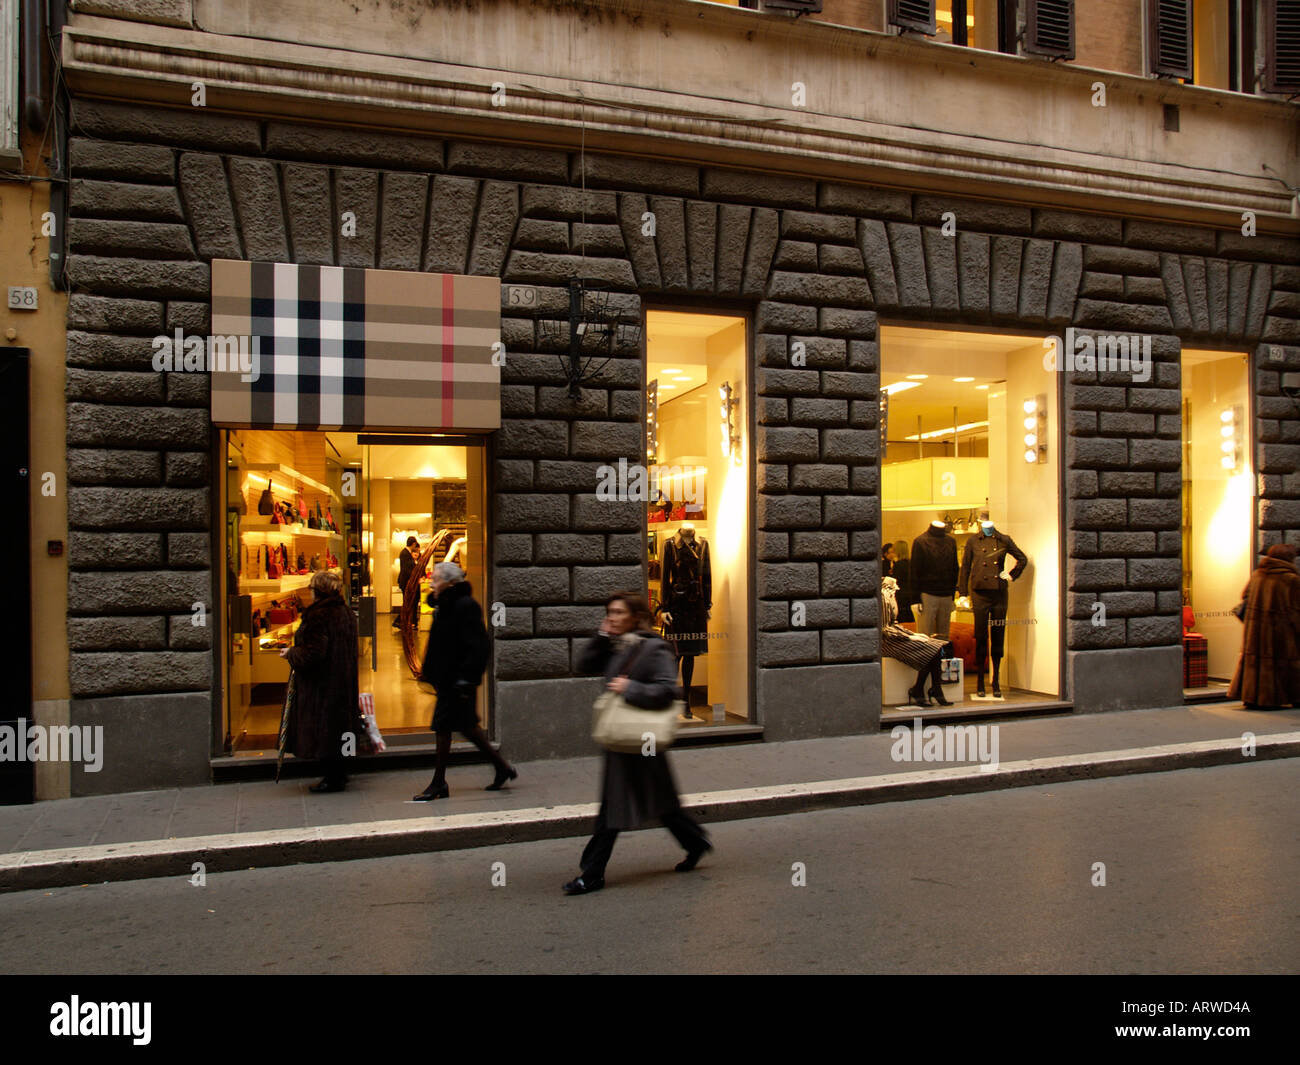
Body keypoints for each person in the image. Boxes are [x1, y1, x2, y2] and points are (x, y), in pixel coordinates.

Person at [563, 592, 712, 896]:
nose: (613, 617)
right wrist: (602, 634)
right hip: (621, 738)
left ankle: (592, 874)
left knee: (616, 807)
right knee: (662, 803)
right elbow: (583, 664)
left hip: (642, 740)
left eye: (619, 612)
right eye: (610, 612)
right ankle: (696, 842)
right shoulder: (616, 644)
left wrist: (630, 687)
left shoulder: (654, 647)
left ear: (635, 616)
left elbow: (668, 691)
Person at [413, 562, 517, 799]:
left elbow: (479, 646)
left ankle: (439, 783)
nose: (432, 582)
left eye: (436, 579)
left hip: (457, 681)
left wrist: (467, 679)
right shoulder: (444, 605)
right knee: (468, 728)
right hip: (448, 679)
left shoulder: (465, 605)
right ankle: (502, 768)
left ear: (450, 583)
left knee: (442, 727)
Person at [280, 570, 365, 793]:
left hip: (323, 685)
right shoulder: (345, 612)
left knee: (326, 729)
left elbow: (313, 653)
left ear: (317, 591)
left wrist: (291, 653)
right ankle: (340, 773)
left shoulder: (319, 616)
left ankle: (332, 778)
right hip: (342, 680)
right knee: (340, 726)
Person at [1228, 543, 1300, 709]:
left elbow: (1245, 596)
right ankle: (1287, 697)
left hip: (1255, 631)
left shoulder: (1258, 575)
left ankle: (1252, 697)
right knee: (1284, 663)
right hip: (1281, 632)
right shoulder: (1291, 580)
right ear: (1289, 559)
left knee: (1255, 663)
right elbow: (1296, 611)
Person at [881, 576, 952, 707]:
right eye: (894, 585)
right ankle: (928, 690)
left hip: (896, 638)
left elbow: (894, 624)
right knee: (932, 649)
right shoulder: (884, 598)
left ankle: (927, 689)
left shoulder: (890, 597)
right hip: (888, 642)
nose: (897, 587)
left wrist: (913, 634)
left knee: (935, 645)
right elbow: (885, 629)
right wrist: (910, 638)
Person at [394, 536, 419, 627]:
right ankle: (400, 621)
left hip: (406, 581)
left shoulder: (406, 553)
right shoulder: (405, 553)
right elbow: (406, 569)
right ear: (413, 544)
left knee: (408, 602)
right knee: (407, 602)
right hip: (405, 582)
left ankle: (403, 621)